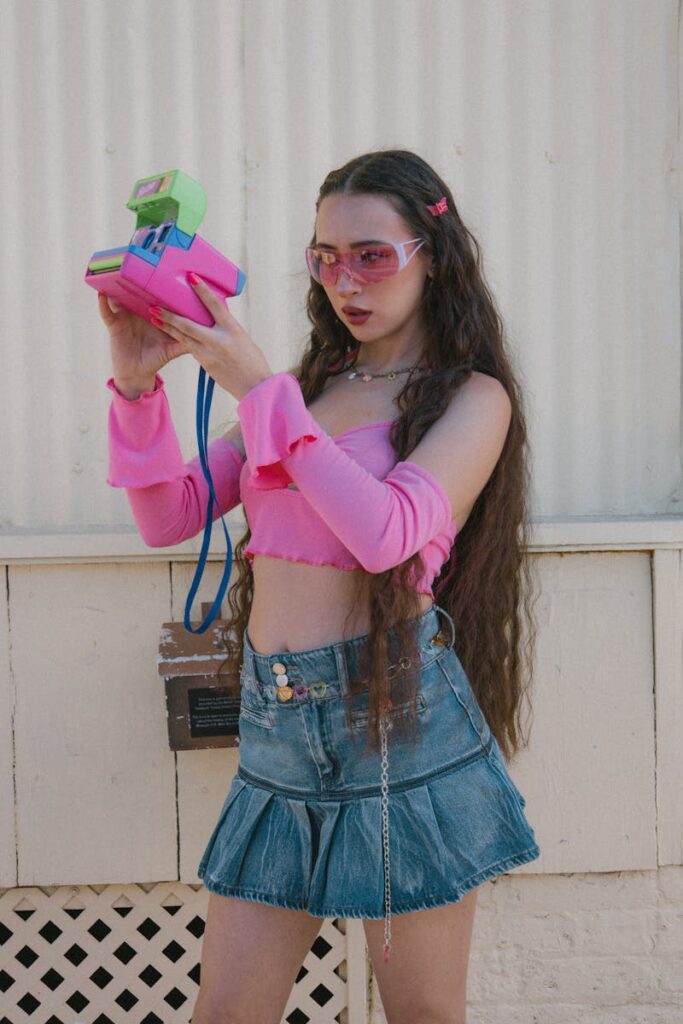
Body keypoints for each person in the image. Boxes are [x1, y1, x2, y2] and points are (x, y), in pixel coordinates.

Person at [100, 149, 541, 1024]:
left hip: (395, 727)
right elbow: (170, 513)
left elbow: (386, 535)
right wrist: (136, 384)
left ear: (433, 253)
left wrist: (266, 396)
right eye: (325, 256)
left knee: (419, 1014)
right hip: (277, 730)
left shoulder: (470, 399)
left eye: (371, 253)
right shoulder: (307, 390)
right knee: (226, 1013)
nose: (346, 278)